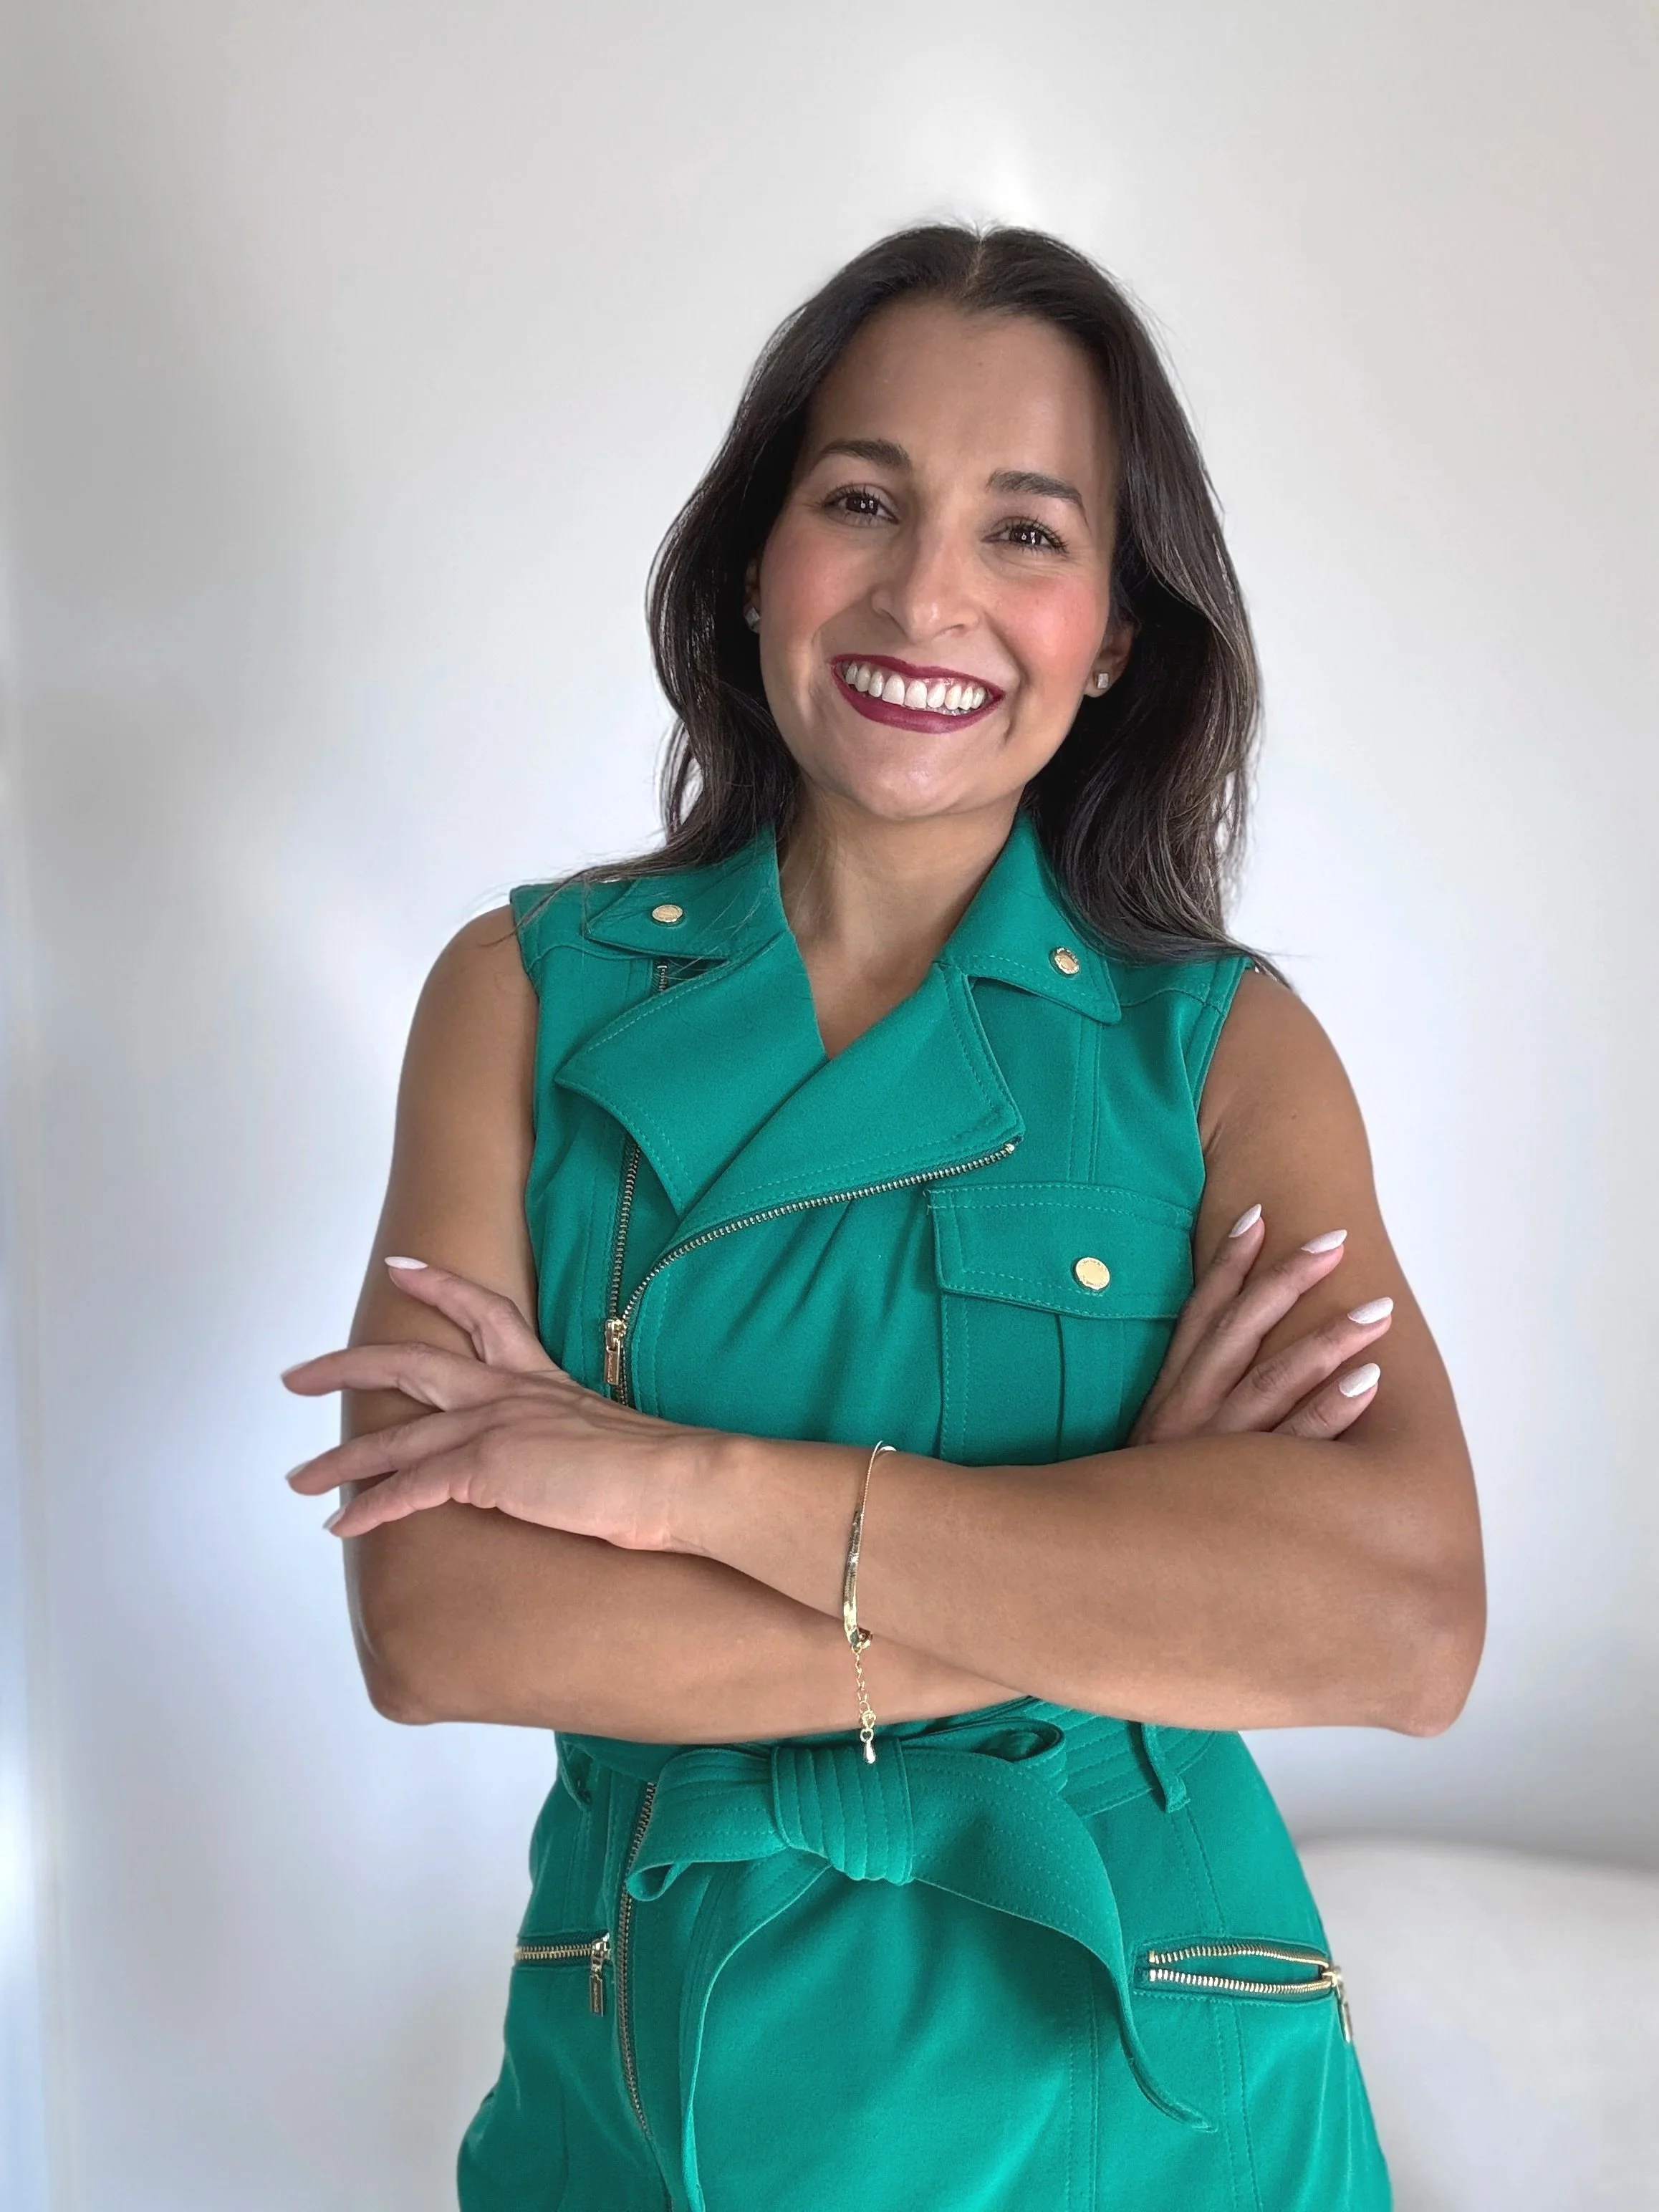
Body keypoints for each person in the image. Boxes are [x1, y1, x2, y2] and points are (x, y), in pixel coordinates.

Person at [284, 223, 1483, 2211]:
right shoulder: (521, 995)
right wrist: (1118, 1574)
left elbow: (1406, 1626)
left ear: (1115, 628)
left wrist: (682, 1487)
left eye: (1025, 531)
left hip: (1156, 2105)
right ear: (756, 555)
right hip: (653, 2089)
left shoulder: (1219, 1048)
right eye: (860, 500)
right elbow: (440, 1620)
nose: (927, 594)